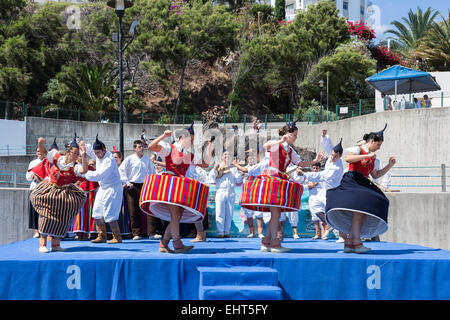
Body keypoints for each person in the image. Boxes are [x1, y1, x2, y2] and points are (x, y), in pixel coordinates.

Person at [240, 118, 323, 253]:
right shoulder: (276, 144)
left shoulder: (290, 151)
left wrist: (315, 161)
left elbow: (300, 164)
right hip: (272, 178)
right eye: (294, 135)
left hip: (279, 179)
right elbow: (266, 145)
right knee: (275, 214)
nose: (296, 138)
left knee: (275, 214)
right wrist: (281, 140)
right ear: (287, 134)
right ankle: (274, 243)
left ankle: (266, 241)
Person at [142, 123, 213, 253]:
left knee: (177, 216)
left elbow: (205, 164)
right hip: (170, 186)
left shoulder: (189, 155)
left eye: (193, 139)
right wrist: (164, 135)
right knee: (175, 215)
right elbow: (151, 146)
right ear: (182, 137)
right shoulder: (170, 148)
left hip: (180, 188)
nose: (192, 142)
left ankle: (164, 244)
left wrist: (209, 148)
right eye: (190, 139)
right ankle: (177, 244)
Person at [325, 124, 396, 253]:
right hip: (353, 181)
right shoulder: (359, 149)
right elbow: (348, 159)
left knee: (361, 213)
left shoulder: (373, 156)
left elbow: (376, 175)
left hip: (362, 183)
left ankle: (350, 243)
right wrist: (366, 156)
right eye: (378, 145)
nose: (379, 148)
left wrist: (389, 165)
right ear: (372, 141)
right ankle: (356, 243)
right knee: (358, 214)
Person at [30, 134, 87, 253]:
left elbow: (84, 170)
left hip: (65, 192)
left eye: (78, 154)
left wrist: (84, 156)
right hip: (50, 189)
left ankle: (56, 244)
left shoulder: (75, 166)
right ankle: (43, 243)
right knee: (46, 214)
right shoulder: (57, 158)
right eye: (75, 153)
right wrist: (40, 143)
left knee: (63, 216)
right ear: (68, 152)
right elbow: (45, 153)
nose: (77, 156)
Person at [78, 135, 124, 244]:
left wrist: (84, 173)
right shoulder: (98, 154)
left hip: (113, 188)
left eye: (98, 152)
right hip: (103, 188)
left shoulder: (109, 160)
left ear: (104, 150)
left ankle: (117, 237)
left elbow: (99, 175)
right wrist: (81, 144)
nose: (96, 155)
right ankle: (101, 236)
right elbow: (88, 149)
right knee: (97, 212)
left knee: (110, 213)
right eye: (95, 153)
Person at [119, 140, 160, 240]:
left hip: (146, 185)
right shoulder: (129, 159)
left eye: (142, 147)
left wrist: (151, 183)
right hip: (132, 185)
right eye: (139, 146)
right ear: (134, 148)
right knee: (133, 210)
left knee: (149, 209)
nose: (142, 148)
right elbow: (121, 172)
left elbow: (153, 172)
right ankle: (136, 233)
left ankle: (152, 233)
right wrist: (128, 183)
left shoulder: (147, 160)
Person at [209, 150, 243, 238]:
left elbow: (238, 180)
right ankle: (220, 232)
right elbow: (211, 178)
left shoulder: (234, 168)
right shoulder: (218, 166)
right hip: (221, 190)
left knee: (229, 213)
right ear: (221, 156)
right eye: (225, 154)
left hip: (231, 191)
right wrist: (214, 169)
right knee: (220, 212)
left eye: (228, 154)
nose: (227, 156)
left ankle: (226, 232)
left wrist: (240, 172)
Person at [26, 145, 50, 238]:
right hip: (34, 187)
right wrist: (32, 176)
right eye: (38, 151)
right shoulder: (33, 163)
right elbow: (27, 176)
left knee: (46, 210)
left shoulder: (48, 162)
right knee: (34, 210)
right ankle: (36, 230)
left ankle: (45, 230)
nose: (39, 153)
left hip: (45, 188)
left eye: (41, 151)